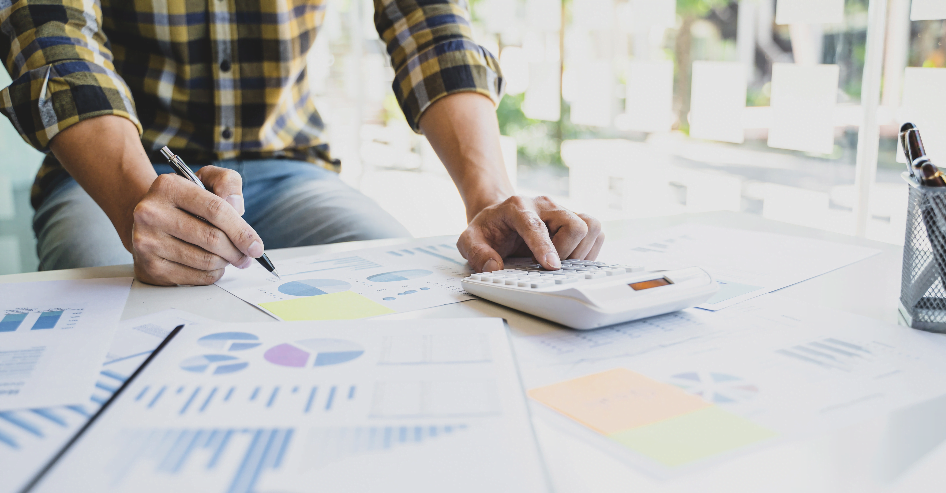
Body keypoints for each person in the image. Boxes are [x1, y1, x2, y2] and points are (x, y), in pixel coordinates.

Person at [0, 0, 603, 286]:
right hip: (121, 171)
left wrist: (487, 196)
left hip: (287, 163)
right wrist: (136, 198)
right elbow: (53, 36)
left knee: (406, 288)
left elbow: (429, 25)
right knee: (108, 307)